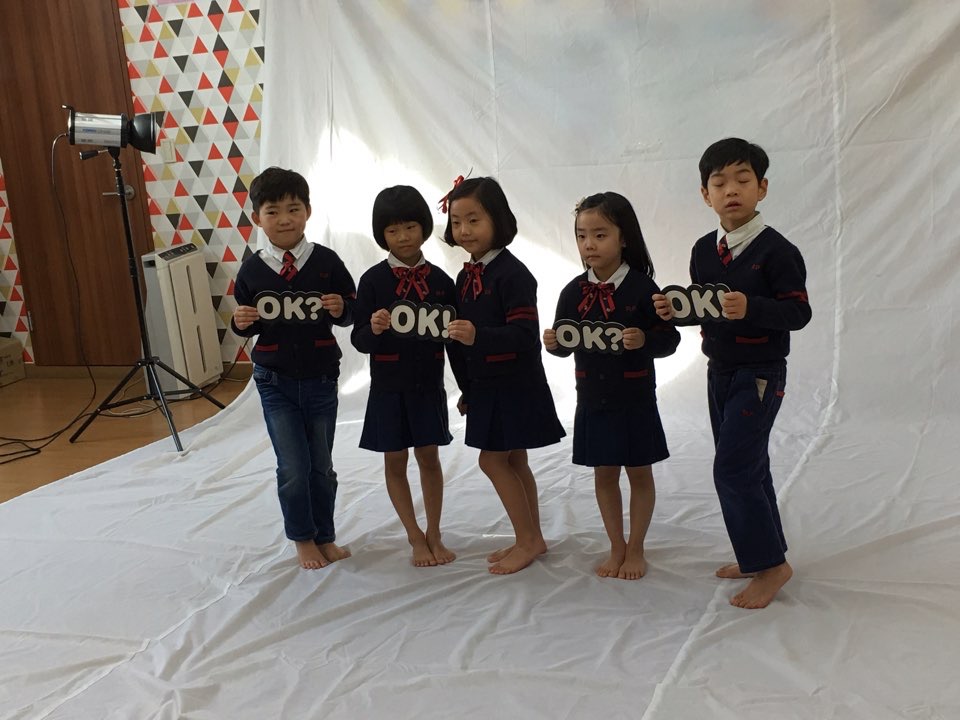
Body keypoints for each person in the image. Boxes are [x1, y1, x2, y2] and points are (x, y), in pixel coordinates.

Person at [653, 138, 812, 608]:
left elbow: (799, 313)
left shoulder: (779, 250)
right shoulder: (704, 249)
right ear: (706, 195)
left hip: (760, 372)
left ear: (762, 187)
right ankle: (759, 554)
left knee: (733, 468)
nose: (731, 190)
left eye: (743, 180)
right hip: (718, 370)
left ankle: (772, 566)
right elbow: (704, 308)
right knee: (748, 465)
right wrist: (674, 312)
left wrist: (753, 308)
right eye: (719, 183)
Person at [544, 192, 680, 580]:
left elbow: (670, 340)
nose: (589, 244)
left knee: (639, 473)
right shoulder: (572, 292)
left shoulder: (644, 288)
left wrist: (645, 340)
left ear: (624, 238)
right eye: (581, 235)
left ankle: (636, 547)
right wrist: (553, 344)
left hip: (635, 398)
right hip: (592, 399)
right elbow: (565, 344)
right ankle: (616, 545)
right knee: (604, 474)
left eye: (600, 234)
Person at [231, 166, 356, 570]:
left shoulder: (327, 262)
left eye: (293, 209)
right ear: (257, 218)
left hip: (321, 378)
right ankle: (303, 538)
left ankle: (325, 535)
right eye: (273, 211)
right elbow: (245, 320)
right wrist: (240, 322)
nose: (284, 219)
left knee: (321, 466)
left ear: (308, 212)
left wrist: (342, 308)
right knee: (293, 467)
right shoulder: (252, 270)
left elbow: (352, 309)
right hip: (274, 381)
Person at [442, 176, 565, 575]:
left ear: (498, 219)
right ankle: (532, 537)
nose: (464, 230)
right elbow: (459, 343)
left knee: (493, 461)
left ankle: (527, 540)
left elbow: (525, 334)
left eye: (473, 220)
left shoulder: (513, 274)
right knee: (513, 459)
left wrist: (479, 335)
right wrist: (467, 389)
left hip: (515, 384)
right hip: (486, 385)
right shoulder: (465, 277)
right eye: (457, 222)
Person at [351, 185, 466, 568]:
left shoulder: (442, 282)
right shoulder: (372, 281)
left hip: (428, 386)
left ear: (425, 227)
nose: (403, 237)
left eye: (411, 227)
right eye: (393, 230)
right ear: (381, 234)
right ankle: (414, 535)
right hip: (387, 388)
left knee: (429, 457)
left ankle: (435, 532)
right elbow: (359, 341)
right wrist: (374, 328)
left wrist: (466, 387)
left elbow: (455, 342)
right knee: (395, 459)